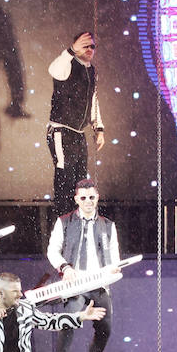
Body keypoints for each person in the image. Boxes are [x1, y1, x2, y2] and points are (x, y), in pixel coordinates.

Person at [46, 178, 121, 352]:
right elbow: (53, 250)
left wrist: (113, 270)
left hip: (98, 282)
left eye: (92, 197)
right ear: (77, 199)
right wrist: (65, 267)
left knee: (105, 326)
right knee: (70, 318)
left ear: (97, 198)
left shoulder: (108, 225)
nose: (88, 201)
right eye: (84, 198)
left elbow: (114, 255)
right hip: (75, 281)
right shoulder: (64, 222)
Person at [46, 31, 106, 217]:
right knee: (65, 177)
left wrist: (99, 128)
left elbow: (93, 100)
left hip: (78, 133)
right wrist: (71, 51)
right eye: (84, 46)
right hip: (61, 131)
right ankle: (62, 221)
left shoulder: (92, 71)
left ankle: (78, 221)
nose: (89, 50)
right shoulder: (67, 64)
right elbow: (53, 70)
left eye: (92, 46)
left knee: (80, 181)